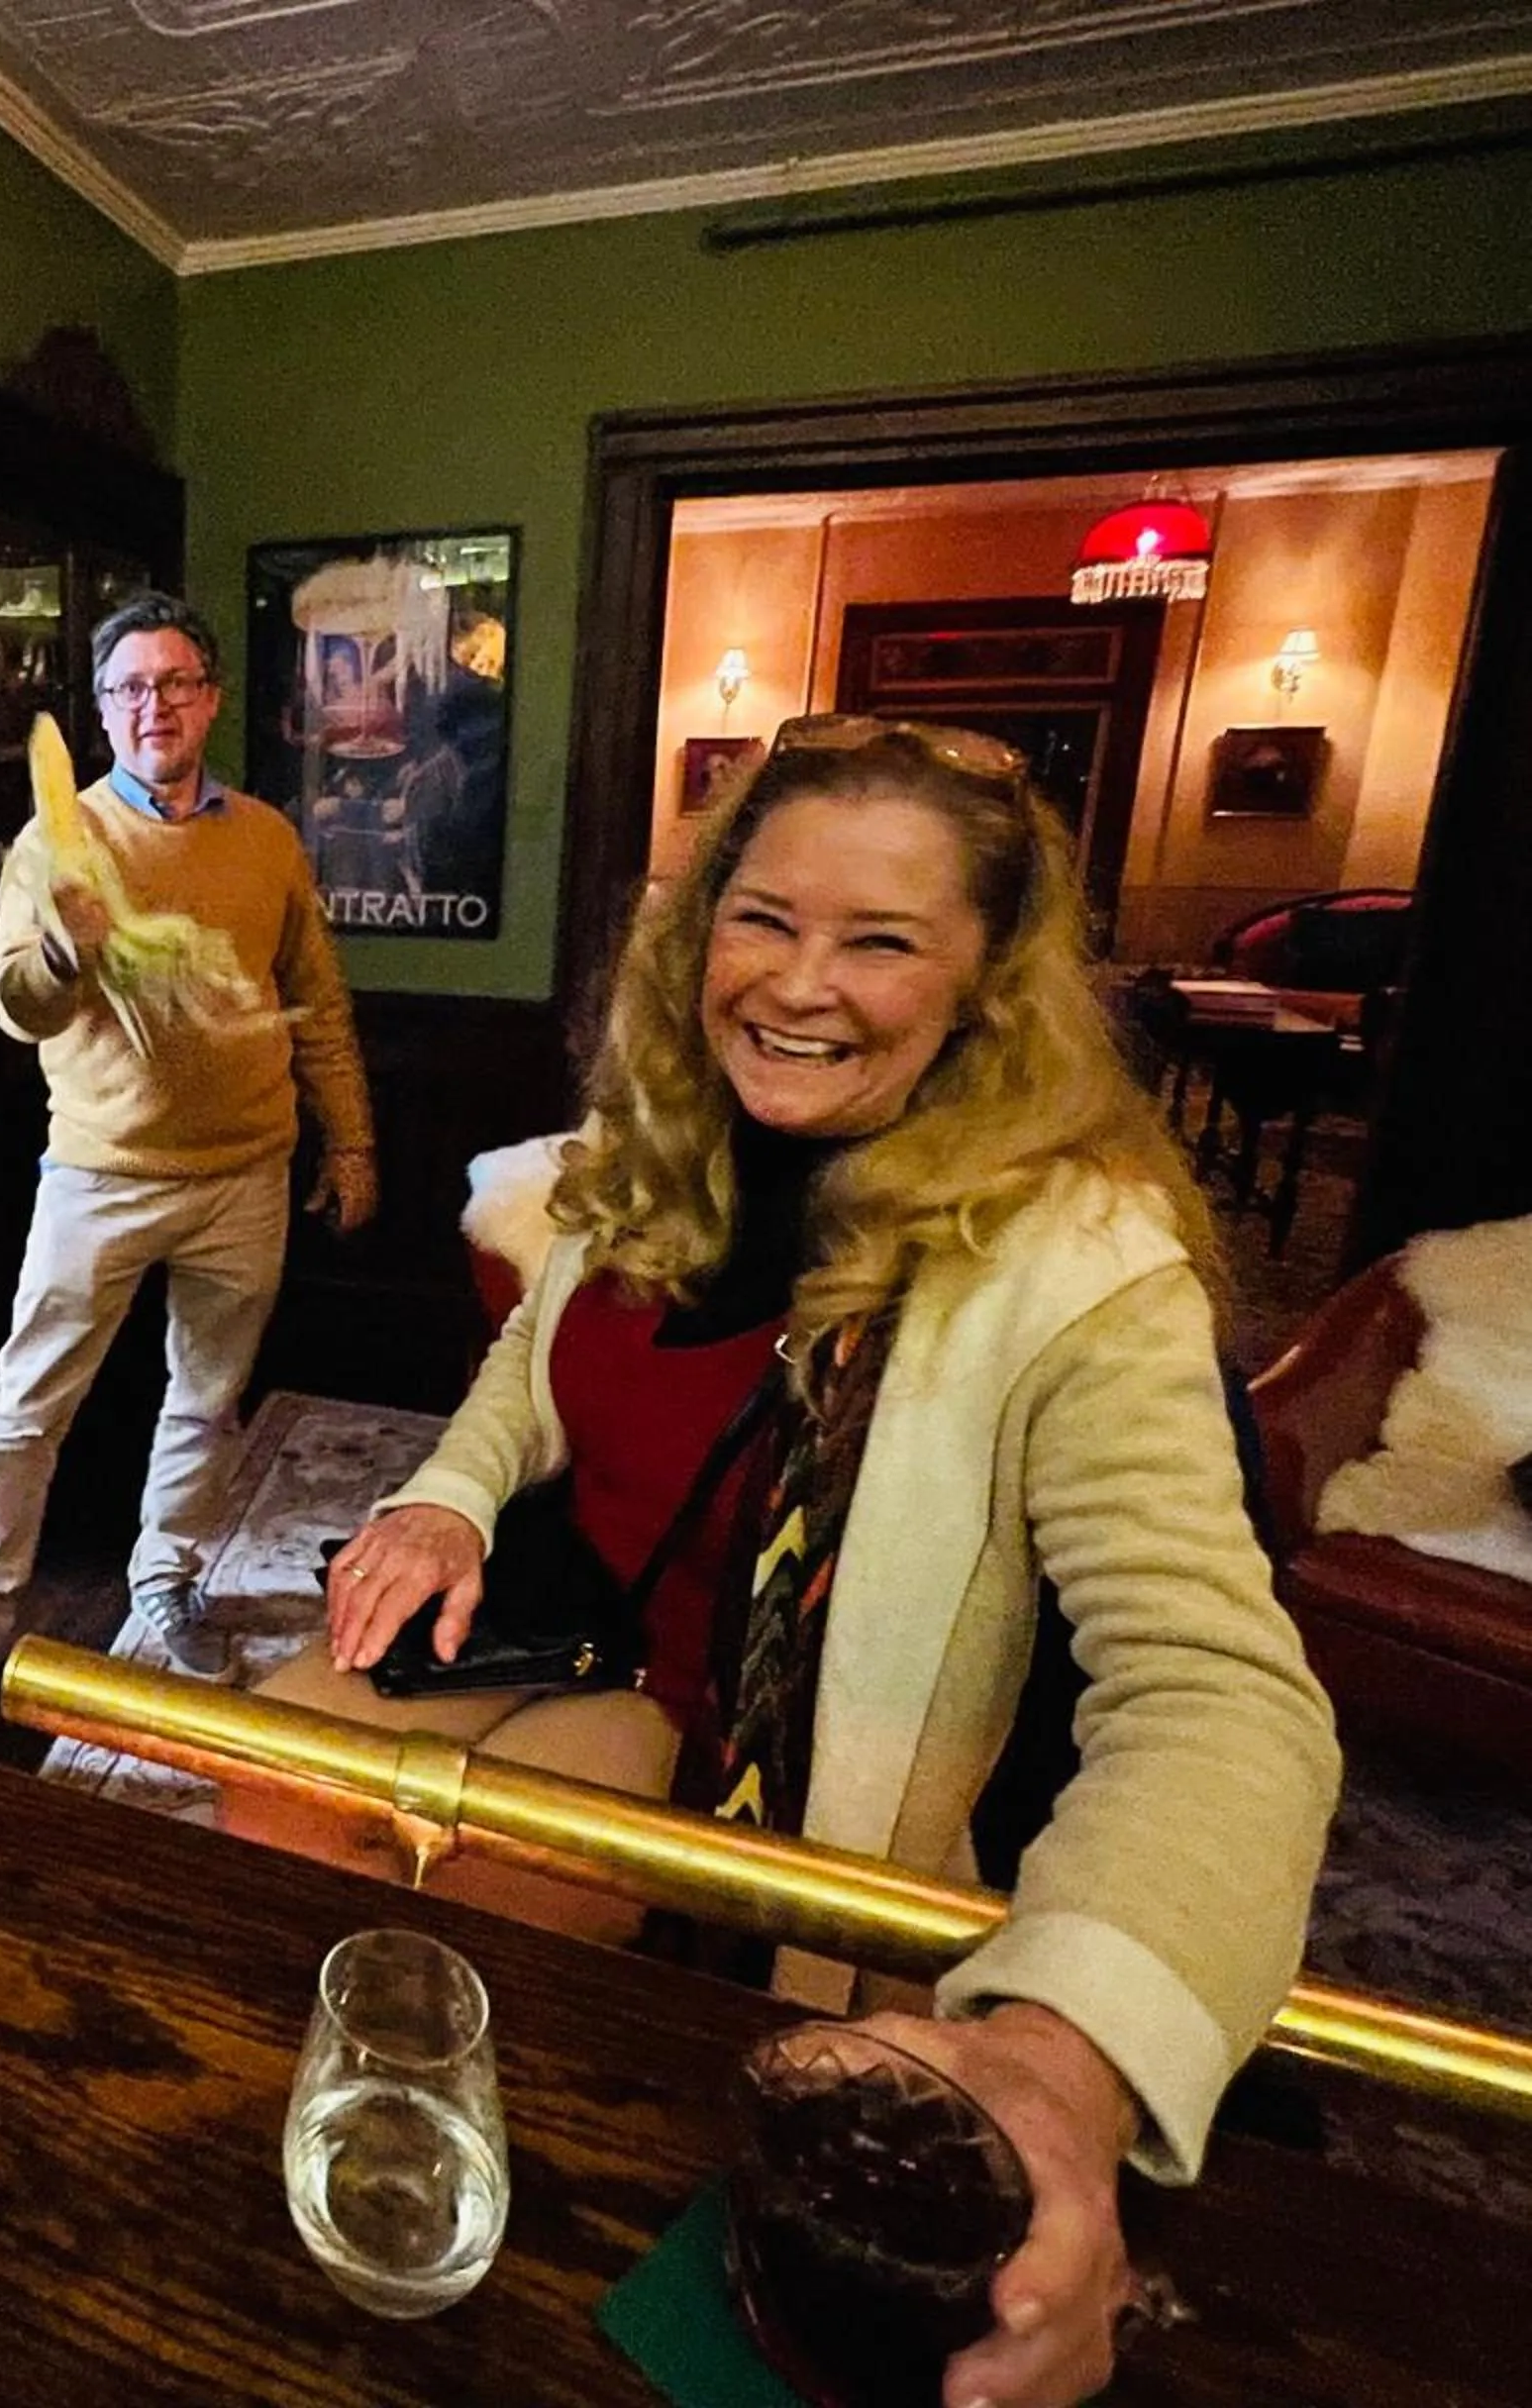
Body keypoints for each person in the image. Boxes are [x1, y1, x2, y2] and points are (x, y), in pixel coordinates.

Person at [246, 716, 1340, 2408]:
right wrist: (447, 1498)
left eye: (882, 940)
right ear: (701, 932)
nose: (801, 982)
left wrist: (1064, 2062)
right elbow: (531, 1364)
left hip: (796, 1771)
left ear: (988, 986)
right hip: (578, 1627)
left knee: (474, 1944)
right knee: (269, 1795)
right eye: (763, 918)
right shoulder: (656, 1146)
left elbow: (1219, 1699)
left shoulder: (1081, 1263)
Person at [0, 591, 378, 1673]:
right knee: (27, 1408)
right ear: (104, 709)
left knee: (206, 1402)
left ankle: (168, 1577)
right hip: (101, 1174)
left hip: (246, 1171)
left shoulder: (267, 837)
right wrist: (63, 949)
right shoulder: (57, 841)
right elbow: (14, 1005)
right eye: (129, 688)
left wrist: (351, 1142)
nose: (152, 704)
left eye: (174, 683)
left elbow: (317, 999)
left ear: (210, 699)